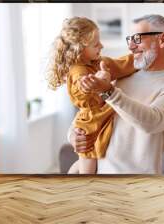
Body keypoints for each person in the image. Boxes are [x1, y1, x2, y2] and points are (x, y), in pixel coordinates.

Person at [69, 14, 164, 174]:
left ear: (162, 40)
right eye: (130, 39)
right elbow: (90, 112)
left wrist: (109, 91)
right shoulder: (121, 74)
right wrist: (73, 135)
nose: (131, 46)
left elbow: (152, 121)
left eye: (137, 39)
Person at [47, 17, 136, 174]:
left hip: (104, 112)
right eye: (96, 44)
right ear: (79, 48)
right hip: (89, 124)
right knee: (88, 170)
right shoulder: (77, 71)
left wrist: (138, 58)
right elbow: (81, 95)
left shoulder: (100, 62)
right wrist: (94, 83)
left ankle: (73, 171)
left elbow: (122, 65)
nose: (101, 46)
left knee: (85, 166)